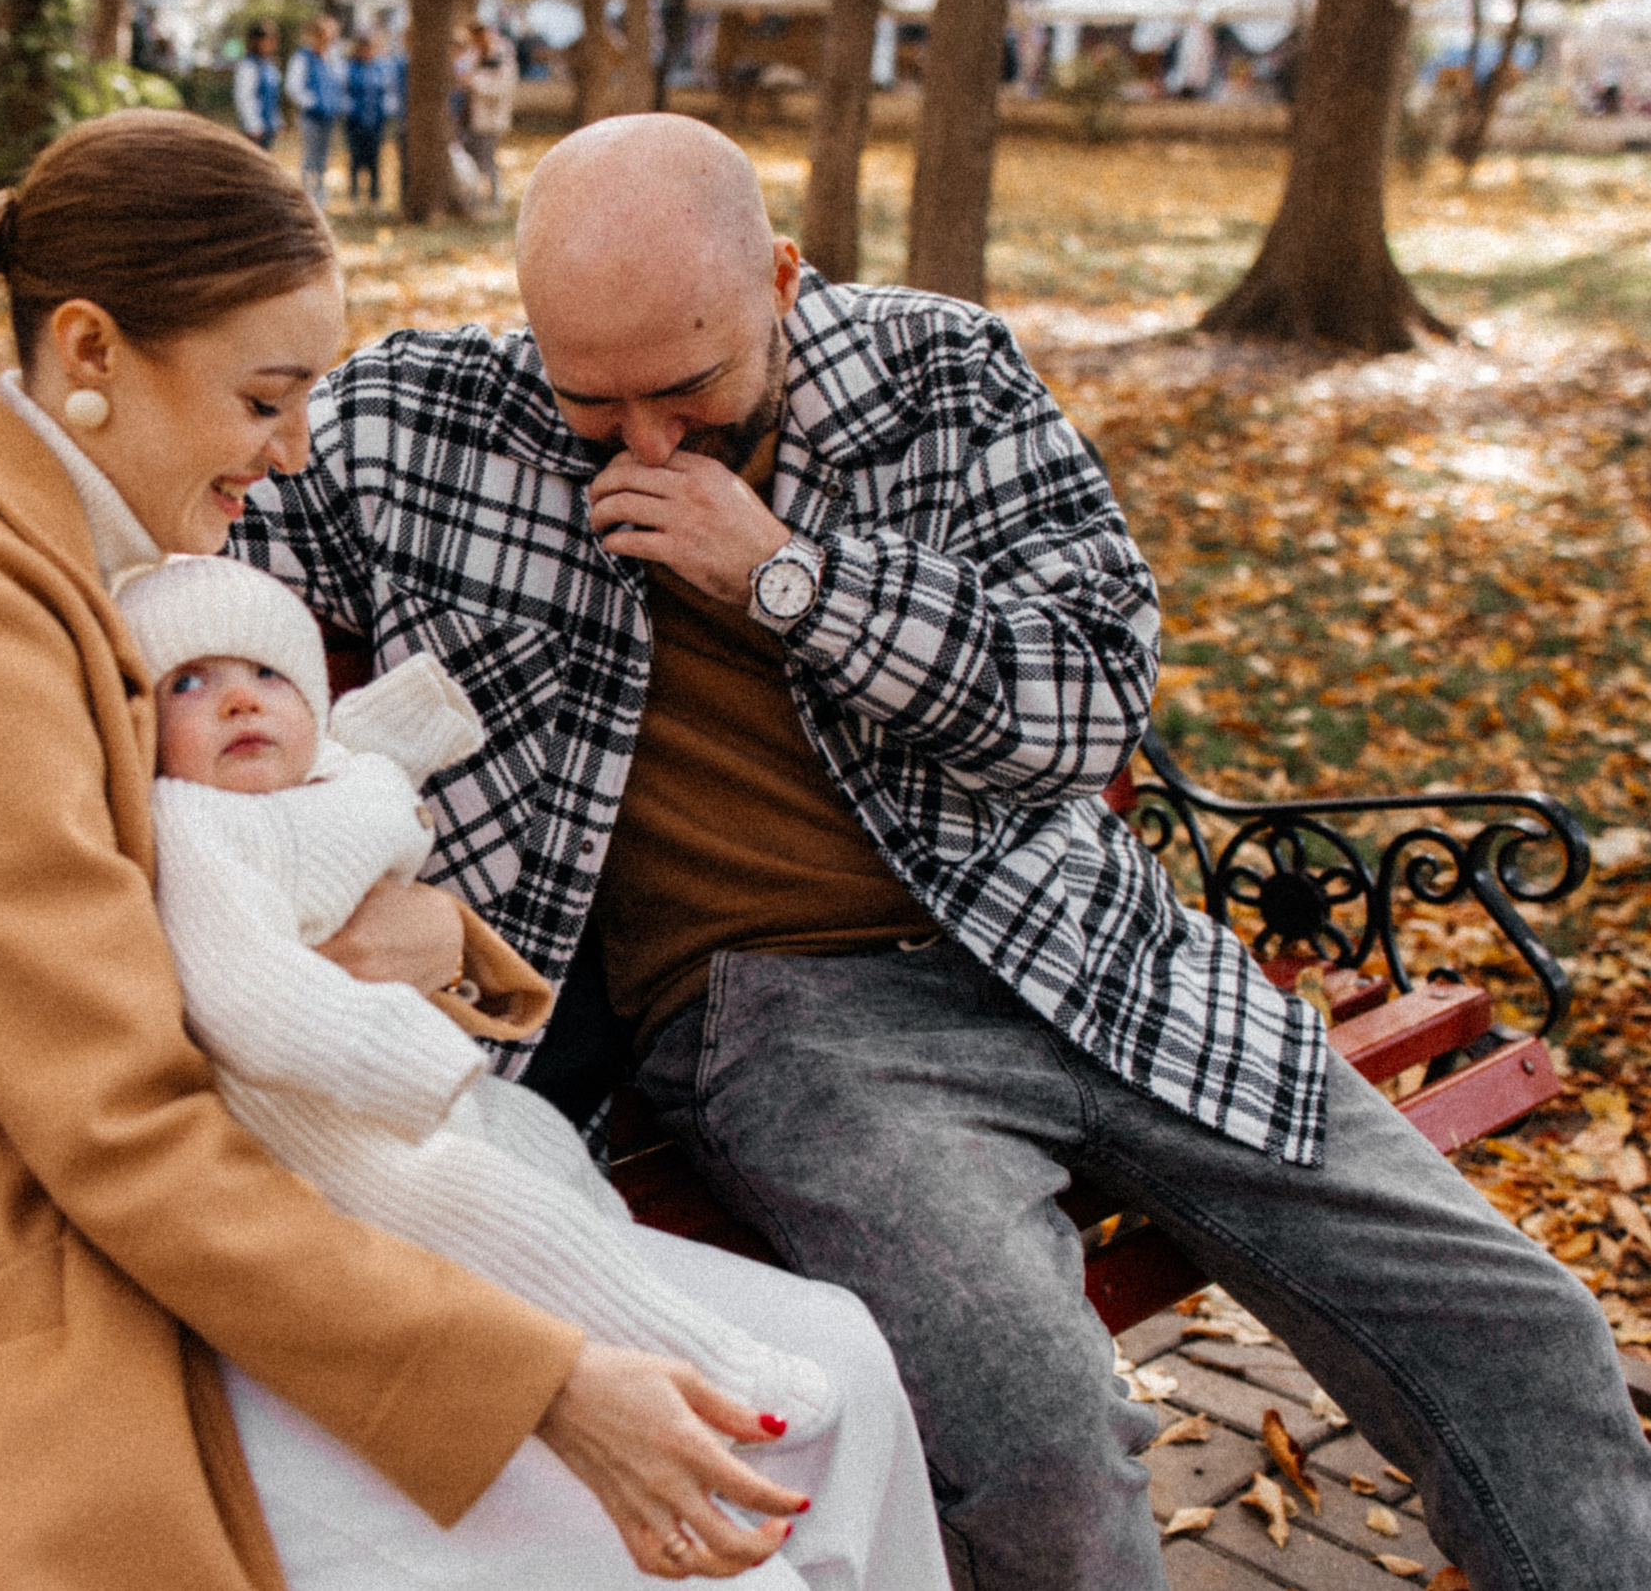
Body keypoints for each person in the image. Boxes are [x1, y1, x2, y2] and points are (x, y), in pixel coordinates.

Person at [232, 111, 1651, 1591]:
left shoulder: (941, 376)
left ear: (782, 280)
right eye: (593, 400)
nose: (647, 440)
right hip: (797, 1026)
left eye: (689, 386)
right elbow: (174, 550)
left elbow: (1087, 695)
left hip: (1088, 943)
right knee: (1037, 1437)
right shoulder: (419, 423)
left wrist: (788, 576)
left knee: (1521, 1327)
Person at [0, 108, 906, 1591]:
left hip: (213, 1229)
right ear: (86, 355)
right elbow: (118, 1125)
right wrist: (547, 1385)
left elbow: (243, 877)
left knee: (837, 1368)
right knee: (715, 1551)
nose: (297, 447)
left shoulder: (87, 553)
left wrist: (440, 938)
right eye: (269, 394)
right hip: (29, 1299)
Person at [119, 551, 947, 1591]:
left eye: (265, 676)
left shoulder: (320, 779)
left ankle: (686, 1350)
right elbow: (251, 994)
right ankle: (708, 1363)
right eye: (187, 683)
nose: (236, 696)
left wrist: (412, 770)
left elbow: (373, 761)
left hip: (450, 1121)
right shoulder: (193, 824)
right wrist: (410, 1057)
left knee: (826, 1342)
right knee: (519, 1224)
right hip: (339, 1154)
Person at [286, 16, 343, 206]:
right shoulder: (303, 57)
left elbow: (339, 83)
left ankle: (319, 192)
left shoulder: (333, 57)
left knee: (323, 156)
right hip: (311, 116)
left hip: (329, 115)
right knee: (310, 154)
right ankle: (306, 194)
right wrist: (312, 102)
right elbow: (292, 87)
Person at [462, 23, 517, 211]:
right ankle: (475, 199)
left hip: (490, 121)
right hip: (471, 119)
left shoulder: (502, 58)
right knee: (473, 160)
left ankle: (493, 200)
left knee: (487, 160)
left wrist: (474, 82)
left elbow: (501, 89)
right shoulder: (475, 55)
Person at [342, 30, 397, 209]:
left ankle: (374, 197)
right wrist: (348, 108)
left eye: (370, 48)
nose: (367, 51)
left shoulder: (381, 68)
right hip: (355, 120)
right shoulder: (349, 67)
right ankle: (354, 197)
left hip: (375, 121)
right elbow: (343, 91)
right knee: (355, 159)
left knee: (374, 160)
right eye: (364, 48)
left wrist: (387, 110)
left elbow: (388, 92)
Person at [233, 20, 282, 153]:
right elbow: (244, 97)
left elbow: (273, 97)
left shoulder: (270, 65)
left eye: (273, 39)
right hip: (254, 128)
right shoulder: (248, 66)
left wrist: (276, 121)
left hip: (268, 126)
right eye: (266, 39)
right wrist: (253, 124)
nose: (270, 44)